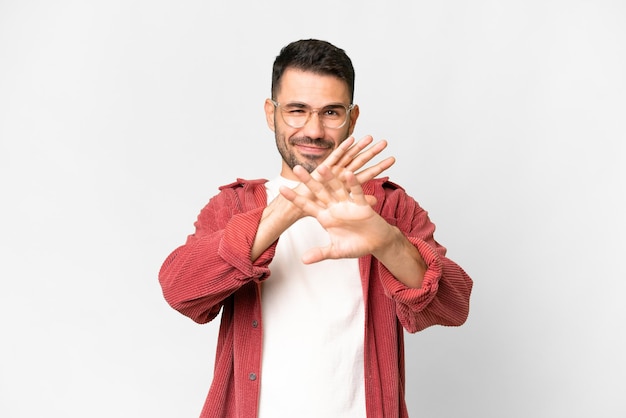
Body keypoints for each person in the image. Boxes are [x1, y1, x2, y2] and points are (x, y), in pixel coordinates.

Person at [159, 39, 473, 418]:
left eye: (331, 112)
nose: (314, 129)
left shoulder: (387, 206)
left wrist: (387, 240)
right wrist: (286, 209)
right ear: (270, 113)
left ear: (352, 118)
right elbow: (181, 290)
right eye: (297, 110)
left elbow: (454, 304)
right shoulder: (234, 205)